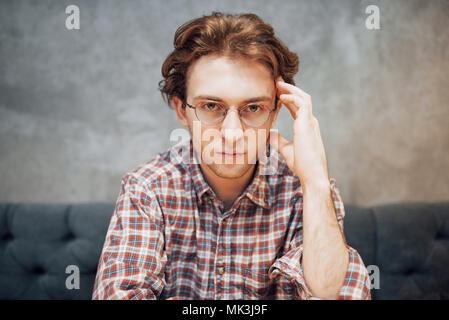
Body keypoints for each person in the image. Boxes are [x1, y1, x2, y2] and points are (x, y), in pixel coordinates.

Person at [92, 12, 371, 300]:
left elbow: (336, 296)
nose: (233, 133)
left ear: (275, 112)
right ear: (181, 110)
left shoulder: (307, 189)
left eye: (253, 108)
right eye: (211, 106)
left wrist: (315, 182)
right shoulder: (147, 189)